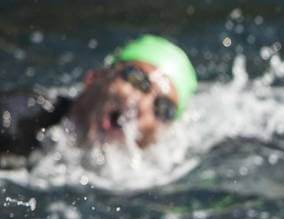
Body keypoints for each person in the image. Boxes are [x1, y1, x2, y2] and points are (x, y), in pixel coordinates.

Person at [1, 35, 196, 162]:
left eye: (164, 108)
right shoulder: (13, 120)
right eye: (137, 79)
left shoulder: (152, 181)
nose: (143, 105)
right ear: (95, 77)